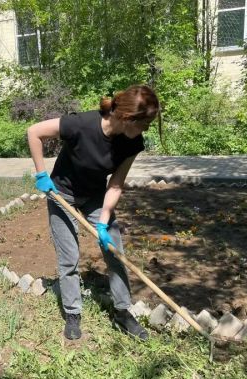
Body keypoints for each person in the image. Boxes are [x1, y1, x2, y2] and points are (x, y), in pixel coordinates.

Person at [27, 85, 160, 340]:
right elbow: (34, 132)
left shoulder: (132, 143)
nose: (145, 130)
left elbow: (116, 183)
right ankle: (73, 313)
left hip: (96, 196)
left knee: (114, 250)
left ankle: (122, 312)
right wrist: (41, 174)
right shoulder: (81, 124)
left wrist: (103, 220)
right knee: (69, 256)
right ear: (127, 118)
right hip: (61, 193)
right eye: (143, 124)